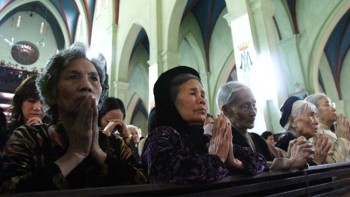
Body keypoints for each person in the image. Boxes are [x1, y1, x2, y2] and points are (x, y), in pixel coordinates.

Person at [0, 42, 147, 193]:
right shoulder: (29, 138)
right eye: (73, 77)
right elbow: (9, 188)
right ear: (52, 93)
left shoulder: (114, 144)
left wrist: (97, 153)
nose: (86, 86)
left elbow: (144, 183)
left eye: (94, 78)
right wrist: (75, 153)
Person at [141, 66, 268, 184]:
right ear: (171, 101)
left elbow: (259, 160)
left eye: (202, 95)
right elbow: (165, 173)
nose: (201, 100)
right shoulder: (162, 136)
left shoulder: (205, 139)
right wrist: (216, 159)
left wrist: (235, 162)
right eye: (193, 93)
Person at [216, 81, 314, 170]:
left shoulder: (256, 139)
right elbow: (250, 165)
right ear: (226, 110)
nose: (253, 112)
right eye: (246, 106)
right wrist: (290, 162)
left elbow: (283, 156)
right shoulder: (222, 141)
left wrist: (294, 150)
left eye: (254, 105)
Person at [2, 75, 47, 151]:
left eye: (43, 102)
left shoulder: (55, 135)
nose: (37, 108)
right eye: (31, 100)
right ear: (20, 102)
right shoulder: (6, 132)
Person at [305, 93, 350, 163]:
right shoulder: (316, 135)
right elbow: (334, 167)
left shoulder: (329, 132)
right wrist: (343, 139)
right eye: (328, 105)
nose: (334, 109)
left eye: (332, 105)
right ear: (314, 111)